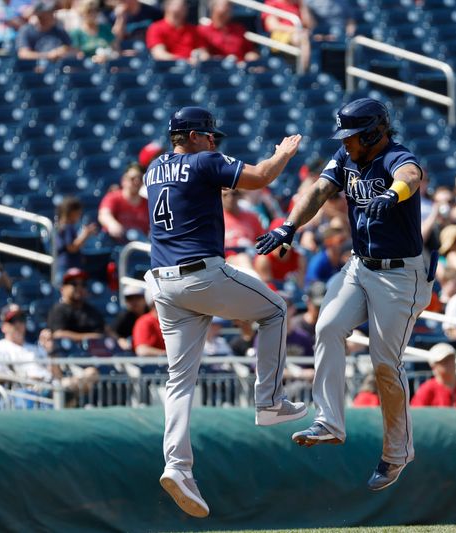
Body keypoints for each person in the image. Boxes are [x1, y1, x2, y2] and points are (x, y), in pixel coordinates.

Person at [255, 98, 434, 491]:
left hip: (401, 274)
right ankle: (329, 421)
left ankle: (397, 453)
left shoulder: (394, 157)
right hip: (360, 265)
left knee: (385, 364)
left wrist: (394, 194)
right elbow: (318, 192)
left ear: (373, 132)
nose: (346, 142)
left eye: (353, 135)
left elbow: (411, 173)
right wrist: (288, 227)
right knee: (328, 325)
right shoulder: (346, 156)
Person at [143, 106, 304, 518]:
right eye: (209, 134)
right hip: (200, 274)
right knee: (276, 309)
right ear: (193, 135)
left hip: (162, 282)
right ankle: (269, 401)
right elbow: (262, 177)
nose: (214, 141)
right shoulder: (203, 160)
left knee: (179, 380)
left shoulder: (154, 169)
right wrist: (283, 153)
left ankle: (177, 467)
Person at [0, 304, 98, 404]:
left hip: (50, 386)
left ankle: (71, 400)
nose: (18, 324)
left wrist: (51, 351)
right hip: (27, 392)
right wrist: (23, 379)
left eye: (21, 319)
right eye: (12, 321)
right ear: (3, 327)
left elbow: (57, 376)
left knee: (91, 373)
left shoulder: (36, 348)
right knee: (66, 388)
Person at [410, 343, 456, 408]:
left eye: (451, 358)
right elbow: (416, 416)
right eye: (444, 361)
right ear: (433, 365)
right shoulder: (426, 390)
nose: (449, 363)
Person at [47, 267, 108, 342]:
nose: (79, 287)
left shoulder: (92, 310)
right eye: (74, 284)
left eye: (83, 284)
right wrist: (89, 338)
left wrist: (119, 340)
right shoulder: (59, 310)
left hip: (95, 352)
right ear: (63, 289)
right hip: (70, 352)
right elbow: (58, 335)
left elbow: (105, 330)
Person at [98, 162, 149, 243]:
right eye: (132, 178)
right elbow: (104, 215)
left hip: (139, 247)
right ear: (124, 180)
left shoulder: (147, 203)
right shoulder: (113, 197)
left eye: (139, 178)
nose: (136, 182)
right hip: (115, 244)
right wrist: (112, 223)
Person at [55, 195, 99, 276]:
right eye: (78, 213)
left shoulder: (67, 227)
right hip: (67, 267)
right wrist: (85, 235)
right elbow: (72, 247)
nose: (79, 216)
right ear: (71, 213)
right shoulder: (67, 227)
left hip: (70, 266)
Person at [110, 284, 148, 351]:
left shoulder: (152, 314)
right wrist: (119, 339)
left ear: (145, 298)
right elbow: (112, 332)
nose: (134, 302)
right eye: (129, 298)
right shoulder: (124, 316)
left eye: (138, 297)